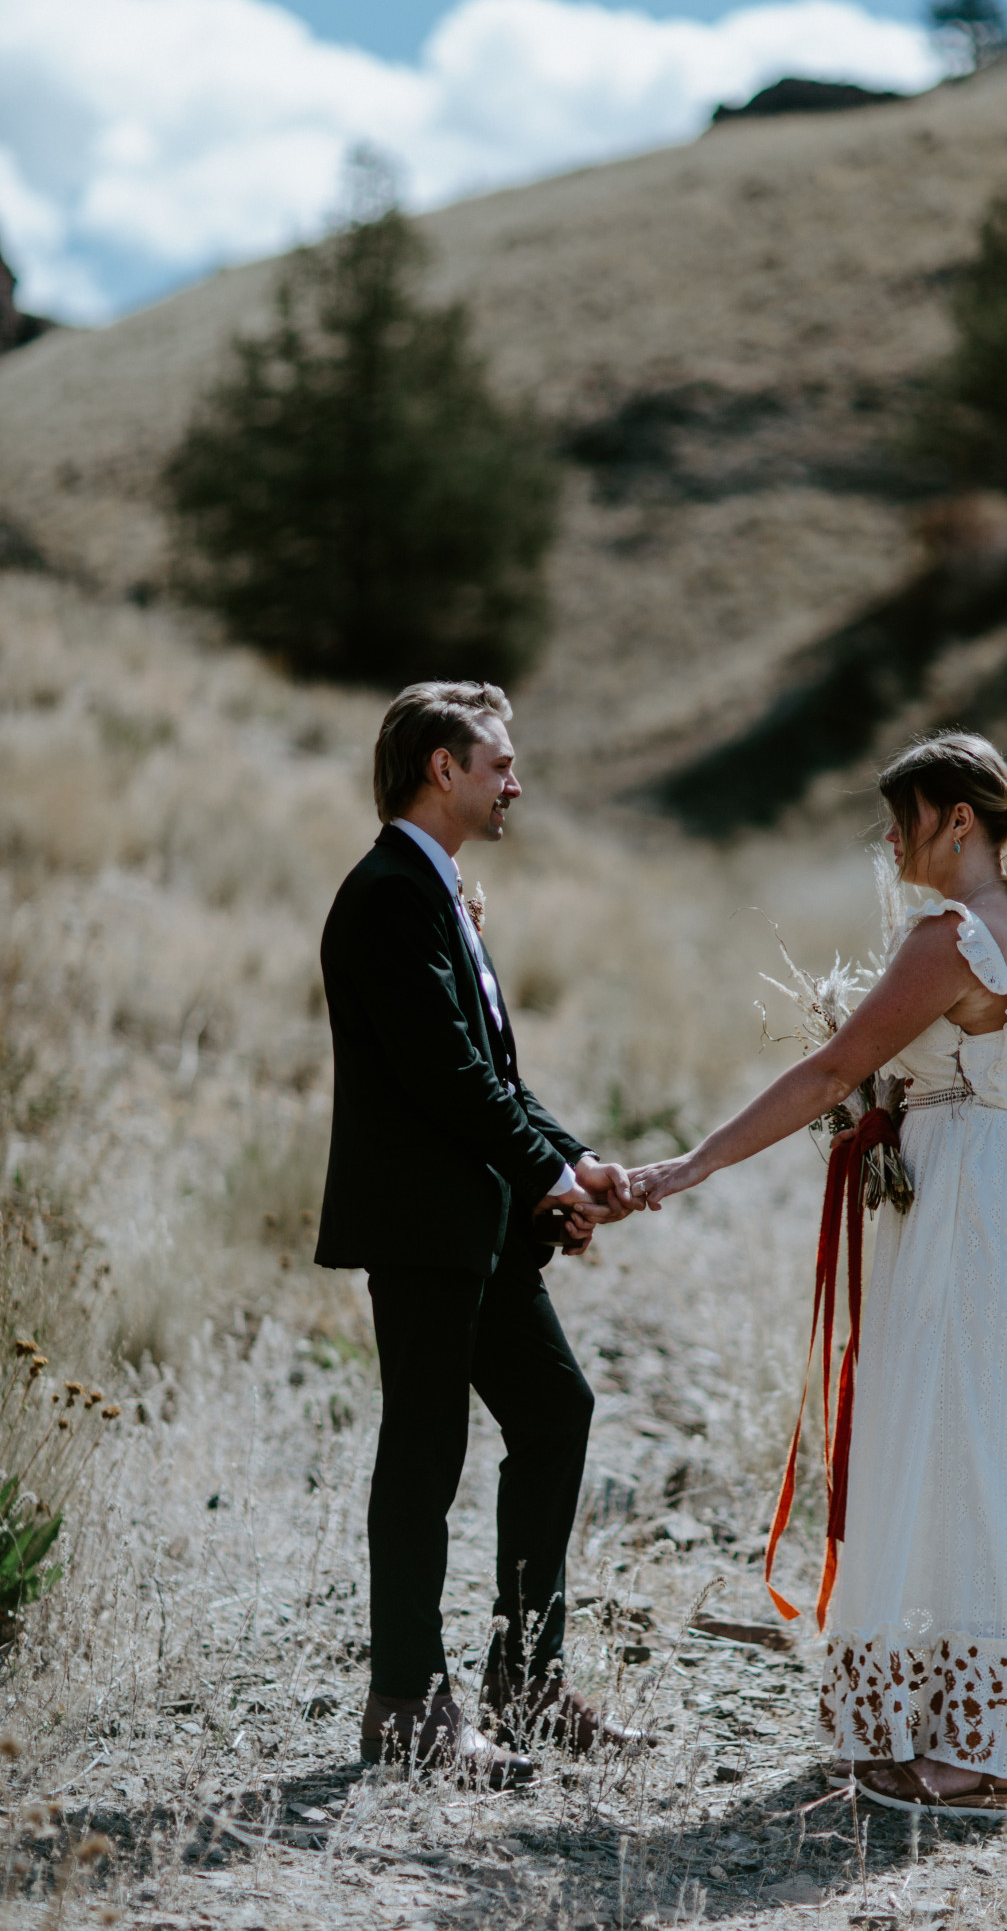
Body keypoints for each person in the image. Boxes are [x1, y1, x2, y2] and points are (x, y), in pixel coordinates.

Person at [629, 731, 1007, 1814]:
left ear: (957, 821)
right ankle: (964, 1722)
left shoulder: (951, 935)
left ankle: (972, 1757)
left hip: (967, 1208)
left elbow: (835, 1065)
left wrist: (694, 1163)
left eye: (902, 818)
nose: (886, 840)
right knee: (980, 1451)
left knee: (958, 1449)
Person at [316, 679, 640, 1783]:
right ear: (440, 768)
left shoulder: (438, 889)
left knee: (555, 1408)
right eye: (498, 762)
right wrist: (549, 1172)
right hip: (421, 1227)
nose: (516, 781)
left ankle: (526, 1680)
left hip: (483, 1226)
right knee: (423, 1451)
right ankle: (406, 1707)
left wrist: (572, 1160)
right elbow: (446, 1077)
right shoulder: (386, 897)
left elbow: (494, 1073)